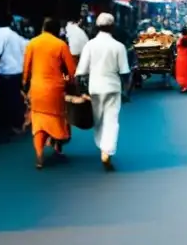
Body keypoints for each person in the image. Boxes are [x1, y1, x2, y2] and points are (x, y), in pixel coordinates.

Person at [76, 13, 131, 171]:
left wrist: (80, 90)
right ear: (112, 26)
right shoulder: (119, 46)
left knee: (98, 120)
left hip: (95, 88)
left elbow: (81, 72)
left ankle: (103, 147)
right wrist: (126, 90)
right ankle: (107, 151)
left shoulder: (90, 45)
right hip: (113, 87)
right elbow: (125, 72)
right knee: (111, 120)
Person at [23, 18, 76, 169]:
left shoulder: (32, 43)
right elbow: (71, 71)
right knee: (58, 119)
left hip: (37, 88)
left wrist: (25, 84)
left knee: (38, 122)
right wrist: (69, 81)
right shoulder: (60, 45)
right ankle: (57, 149)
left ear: (43, 28)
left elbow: (26, 68)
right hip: (55, 89)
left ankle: (39, 153)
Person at [0, 15, 28, 138]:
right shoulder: (14, 35)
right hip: (17, 71)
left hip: (6, 72)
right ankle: (18, 124)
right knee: (15, 99)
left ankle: (7, 127)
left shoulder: (1, 33)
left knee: (5, 101)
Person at [175, 27, 187, 93]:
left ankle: (183, 85)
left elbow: (178, 45)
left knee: (181, 71)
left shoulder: (180, 39)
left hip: (181, 56)